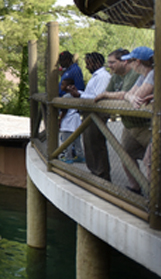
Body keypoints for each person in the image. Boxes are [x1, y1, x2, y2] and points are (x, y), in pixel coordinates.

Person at [97, 47, 154, 193]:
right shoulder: (141, 76)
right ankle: (136, 187)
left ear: (137, 62)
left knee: (154, 161)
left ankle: (158, 196)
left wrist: (113, 96)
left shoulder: (141, 74)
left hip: (148, 125)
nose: (109, 65)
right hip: (129, 124)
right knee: (126, 154)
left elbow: (136, 97)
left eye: (113, 62)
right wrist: (124, 96)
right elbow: (127, 95)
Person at [65, 52, 112, 181]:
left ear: (97, 63)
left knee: (96, 144)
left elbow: (98, 97)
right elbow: (90, 94)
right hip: (89, 114)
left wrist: (80, 96)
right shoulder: (96, 76)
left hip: (96, 114)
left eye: (88, 64)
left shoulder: (103, 77)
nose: (86, 67)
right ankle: (95, 171)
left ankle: (102, 174)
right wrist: (78, 93)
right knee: (89, 144)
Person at [58, 78, 84, 163]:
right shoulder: (78, 94)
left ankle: (68, 157)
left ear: (68, 86)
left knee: (67, 141)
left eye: (62, 84)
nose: (61, 86)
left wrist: (60, 120)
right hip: (76, 120)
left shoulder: (65, 97)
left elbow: (64, 111)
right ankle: (80, 155)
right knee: (77, 140)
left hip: (67, 122)